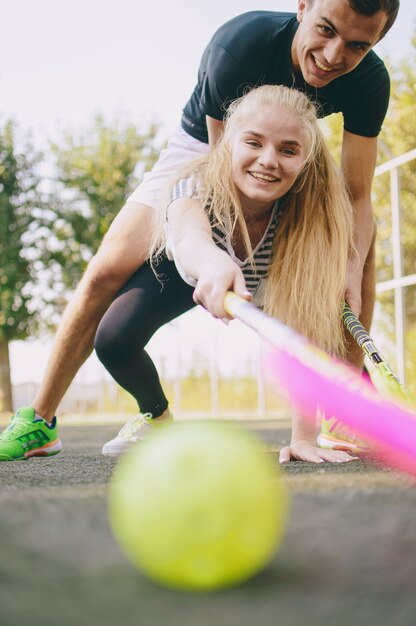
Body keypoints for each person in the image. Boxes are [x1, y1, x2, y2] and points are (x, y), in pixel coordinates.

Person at [0, 0, 399, 462]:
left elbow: (356, 197)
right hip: (217, 147)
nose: (333, 55)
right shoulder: (240, 45)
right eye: (325, 30)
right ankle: (40, 419)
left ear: (374, 44)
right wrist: (212, 258)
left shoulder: (369, 81)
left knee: (357, 251)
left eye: (355, 45)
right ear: (304, 6)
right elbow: (216, 178)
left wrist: (348, 270)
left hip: (292, 147)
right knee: (106, 270)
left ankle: (344, 407)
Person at [94, 84, 358, 464]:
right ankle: (159, 420)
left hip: (267, 284)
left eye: (288, 150)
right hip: (193, 274)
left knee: (331, 356)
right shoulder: (195, 186)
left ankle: (343, 416)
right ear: (228, 144)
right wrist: (215, 262)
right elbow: (189, 235)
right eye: (254, 142)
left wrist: (303, 437)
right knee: (114, 340)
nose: (268, 160)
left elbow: (302, 335)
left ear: (306, 161)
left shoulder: (310, 222)